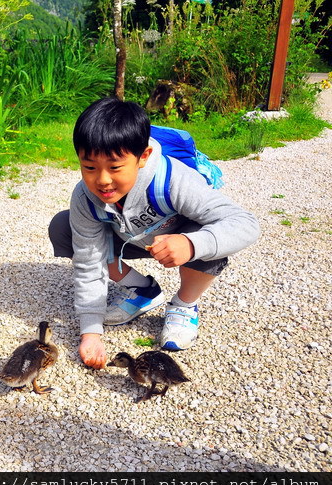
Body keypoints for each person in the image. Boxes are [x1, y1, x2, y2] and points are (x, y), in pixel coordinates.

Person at [48, 97, 260, 369]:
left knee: (209, 236)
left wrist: (192, 244)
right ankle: (142, 291)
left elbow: (245, 223)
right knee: (64, 228)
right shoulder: (85, 197)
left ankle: (184, 305)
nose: (102, 180)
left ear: (143, 157)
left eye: (114, 167)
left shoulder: (173, 180)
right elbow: (89, 262)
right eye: (89, 167)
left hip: (176, 238)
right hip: (129, 238)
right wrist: (91, 332)